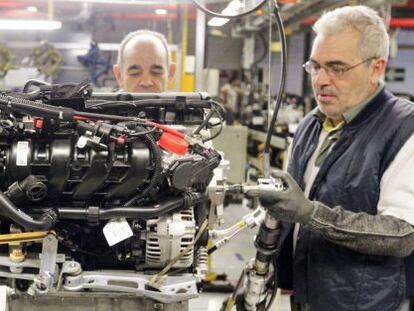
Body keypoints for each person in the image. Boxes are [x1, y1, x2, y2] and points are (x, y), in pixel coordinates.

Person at [259, 5, 414, 311]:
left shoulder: (404, 128)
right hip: (306, 297)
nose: (320, 80)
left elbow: (402, 233)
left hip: (368, 304)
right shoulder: (311, 124)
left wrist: (311, 214)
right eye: (315, 66)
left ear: (376, 68)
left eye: (336, 68)